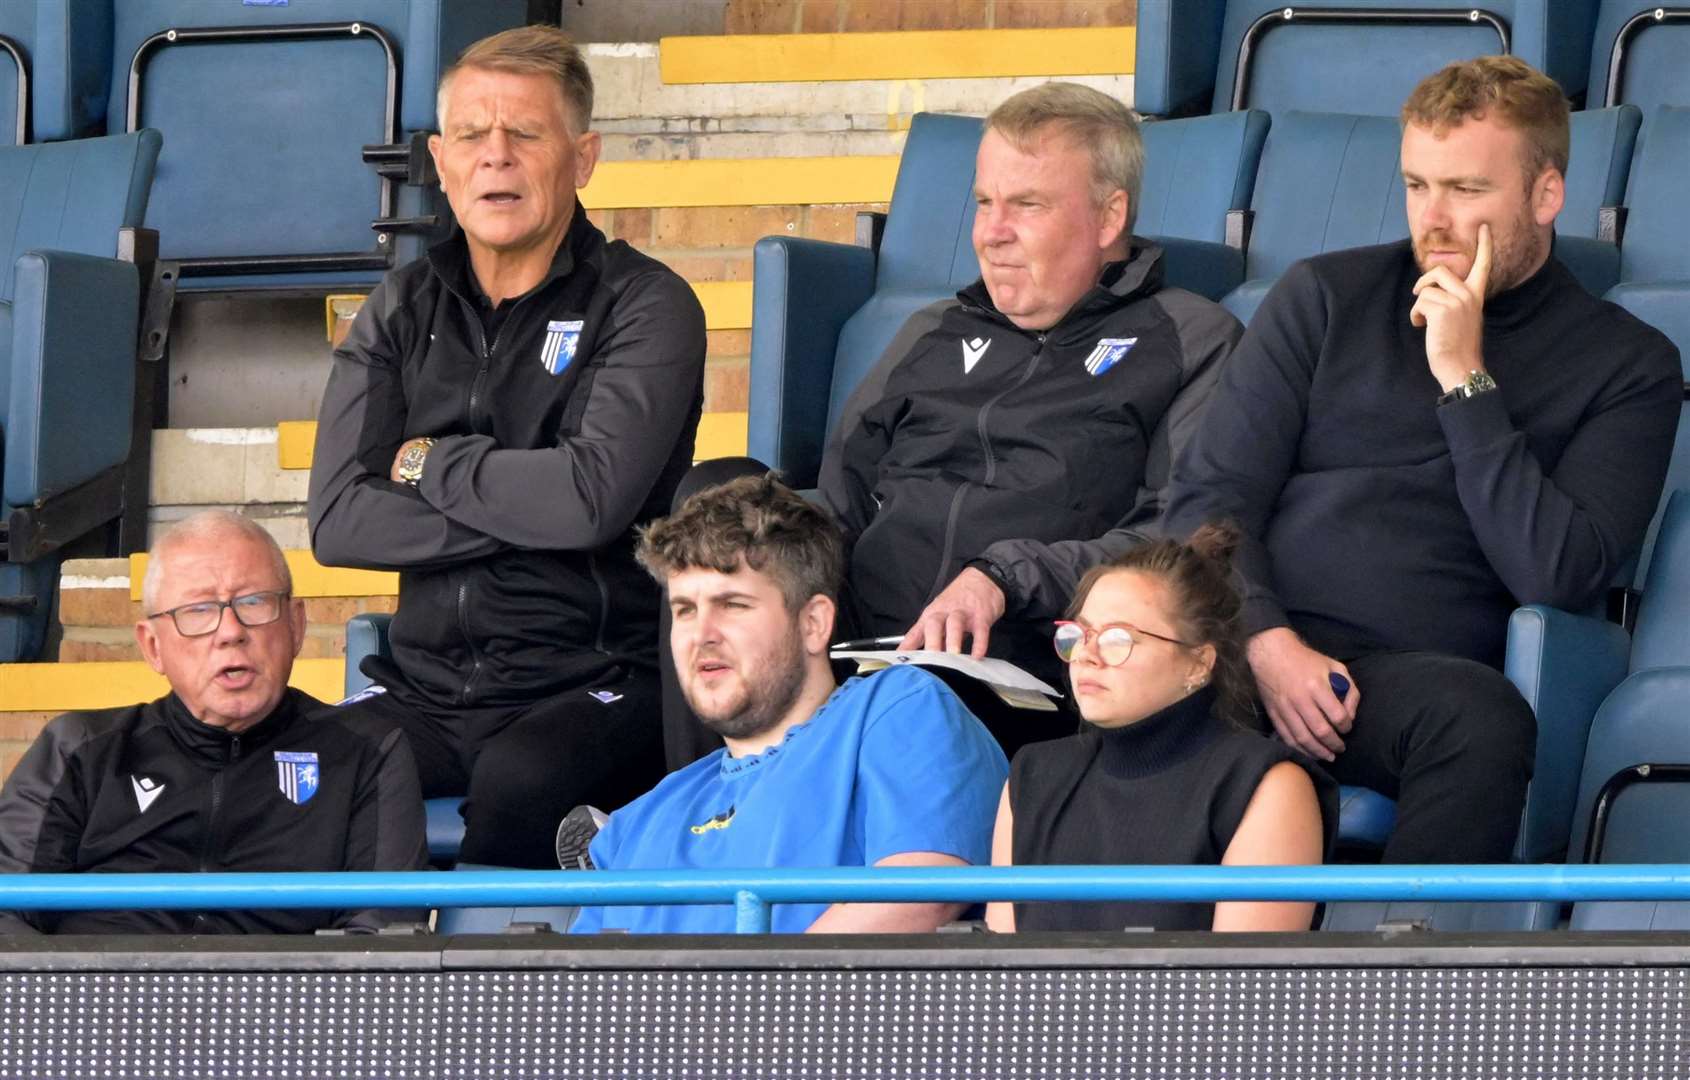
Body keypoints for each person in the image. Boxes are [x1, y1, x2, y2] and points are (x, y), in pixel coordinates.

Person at [1162, 57, 1683, 863]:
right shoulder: (1325, 296)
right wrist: (1267, 643)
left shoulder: (1627, 363)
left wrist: (1464, 380)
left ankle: (1413, 980)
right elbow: (1210, 499)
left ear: (1547, 196)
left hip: (1409, 683)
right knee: (1087, 659)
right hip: (1246, 651)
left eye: (1467, 191)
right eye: (1416, 185)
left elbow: (1561, 572)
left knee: (1478, 721)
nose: (1433, 220)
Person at [663, 81, 1242, 769]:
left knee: (902, 704)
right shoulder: (933, 331)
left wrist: (1004, 575)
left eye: (1026, 205)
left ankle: (708, 832)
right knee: (716, 507)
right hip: (867, 642)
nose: (991, 234)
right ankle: (699, 812)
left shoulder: (1191, 339)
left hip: (1028, 661)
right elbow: (839, 505)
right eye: (985, 203)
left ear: (1109, 217)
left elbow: (1177, 542)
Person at [309, 26, 706, 868]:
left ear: (583, 157)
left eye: (525, 134)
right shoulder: (399, 307)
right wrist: (536, 506)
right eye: (471, 137)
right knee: (296, 775)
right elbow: (339, 521)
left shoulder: (647, 304)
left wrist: (426, 464)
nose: (496, 158)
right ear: (439, 161)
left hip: (593, 681)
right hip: (421, 688)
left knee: (523, 783)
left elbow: (590, 501)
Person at [571, 475, 1007, 935]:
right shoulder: (635, 825)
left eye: (733, 604)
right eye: (685, 610)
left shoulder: (898, 708)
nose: (702, 635)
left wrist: (738, 1003)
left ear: (814, 623)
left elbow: (923, 891)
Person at [0, 511, 427, 935]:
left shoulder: (368, 753)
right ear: (153, 647)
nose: (230, 631)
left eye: (253, 602)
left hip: (283, 998)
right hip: (96, 996)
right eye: (198, 610)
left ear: (296, 625)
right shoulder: (79, 747)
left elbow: (380, 939)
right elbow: (9, 916)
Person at [986, 526, 1334, 933]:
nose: (1086, 656)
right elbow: (1002, 974)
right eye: (1078, 634)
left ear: (1198, 663)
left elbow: (1242, 986)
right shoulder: (1033, 775)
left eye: (1119, 639)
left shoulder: (1264, 783)